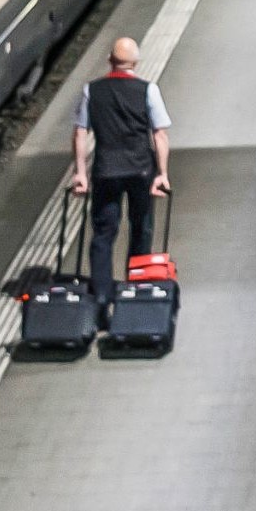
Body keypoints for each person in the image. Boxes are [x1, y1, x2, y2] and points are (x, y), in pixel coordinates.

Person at [70, 36, 172, 325]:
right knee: (141, 229)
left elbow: (80, 133)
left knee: (103, 235)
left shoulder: (92, 90)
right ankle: (135, 294)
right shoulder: (147, 90)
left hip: (106, 172)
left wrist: (80, 173)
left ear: (110, 62)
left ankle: (102, 298)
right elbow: (159, 135)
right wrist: (162, 174)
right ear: (135, 64)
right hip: (141, 171)